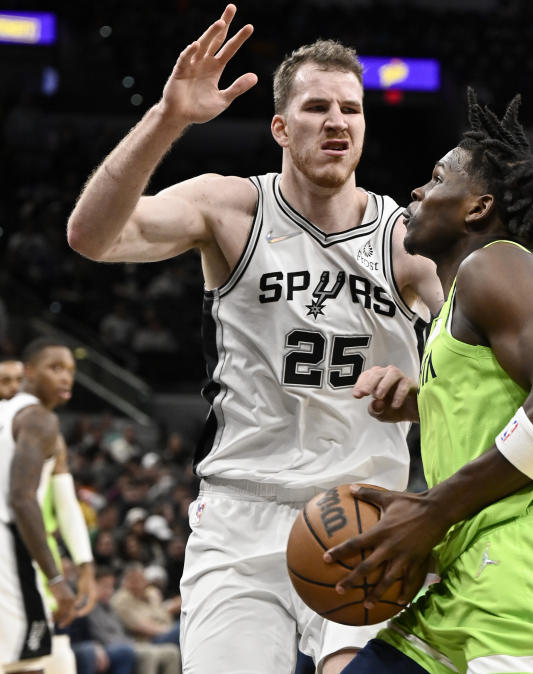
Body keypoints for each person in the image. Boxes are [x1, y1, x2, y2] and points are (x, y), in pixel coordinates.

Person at [65, 5, 442, 673]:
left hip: (362, 514)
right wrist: (168, 119)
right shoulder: (230, 207)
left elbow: (478, 371)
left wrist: (422, 393)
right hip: (242, 512)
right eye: (316, 107)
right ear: (279, 125)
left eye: (350, 110)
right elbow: (92, 238)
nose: (335, 121)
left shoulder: (406, 238)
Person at [328, 90, 533, 673]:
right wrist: (426, 403)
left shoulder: (498, 263)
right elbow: (498, 398)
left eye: (436, 179)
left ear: (477, 208)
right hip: (465, 579)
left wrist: (433, 508)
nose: (417, 191)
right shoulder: (459, 302)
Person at [1, 339, 79, 672]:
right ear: (29, 372)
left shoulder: (5, 410)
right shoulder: (39, 419)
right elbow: (21, 498)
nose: (66, 378)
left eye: (71, 371)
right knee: (26, 662)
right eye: (55, 368)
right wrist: (55, 580)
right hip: (7, 547)